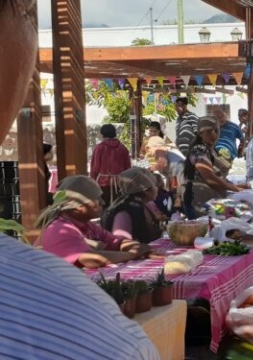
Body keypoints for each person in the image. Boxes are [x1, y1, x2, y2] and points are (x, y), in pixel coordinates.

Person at [0, 2, 160, 358]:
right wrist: (120, 250)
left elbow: (108, 238)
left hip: (104, 180)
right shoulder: (62, 236)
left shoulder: (87, 220)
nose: (100, 208)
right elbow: (91, 256)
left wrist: (120, 246)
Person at [34, 175, 154, 268]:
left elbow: (116, 242)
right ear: (78, 206)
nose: (102, 202)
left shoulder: (87, 225)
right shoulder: (60, 229)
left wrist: (140, 249)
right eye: (97, 199)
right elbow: (92, 259)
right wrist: (132, 254)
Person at [183, 117, 245, 216]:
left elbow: (220, 177)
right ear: (200, 133)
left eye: (216, 131)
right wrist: (235, 189)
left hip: (213, 199)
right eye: (208, 131)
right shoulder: (199, 150)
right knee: (243, 213)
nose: (213, 134)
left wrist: (238, 186)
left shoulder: (213, 151)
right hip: (200, 202)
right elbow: (210, 178)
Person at [102, 167, 164, 244]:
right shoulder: (125, 211)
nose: (157, 189)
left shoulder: (147, 205)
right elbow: (121, 242)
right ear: (145, 191)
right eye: (155, 185)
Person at [90, 124, 131, 206]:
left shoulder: (99, 148)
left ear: (102, 134)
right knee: (119, 207)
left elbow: (95, 167)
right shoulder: (123, 148)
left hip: (103, 183)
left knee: (104, 207)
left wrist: (93, 182)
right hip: (120, 183)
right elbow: (128, 167)